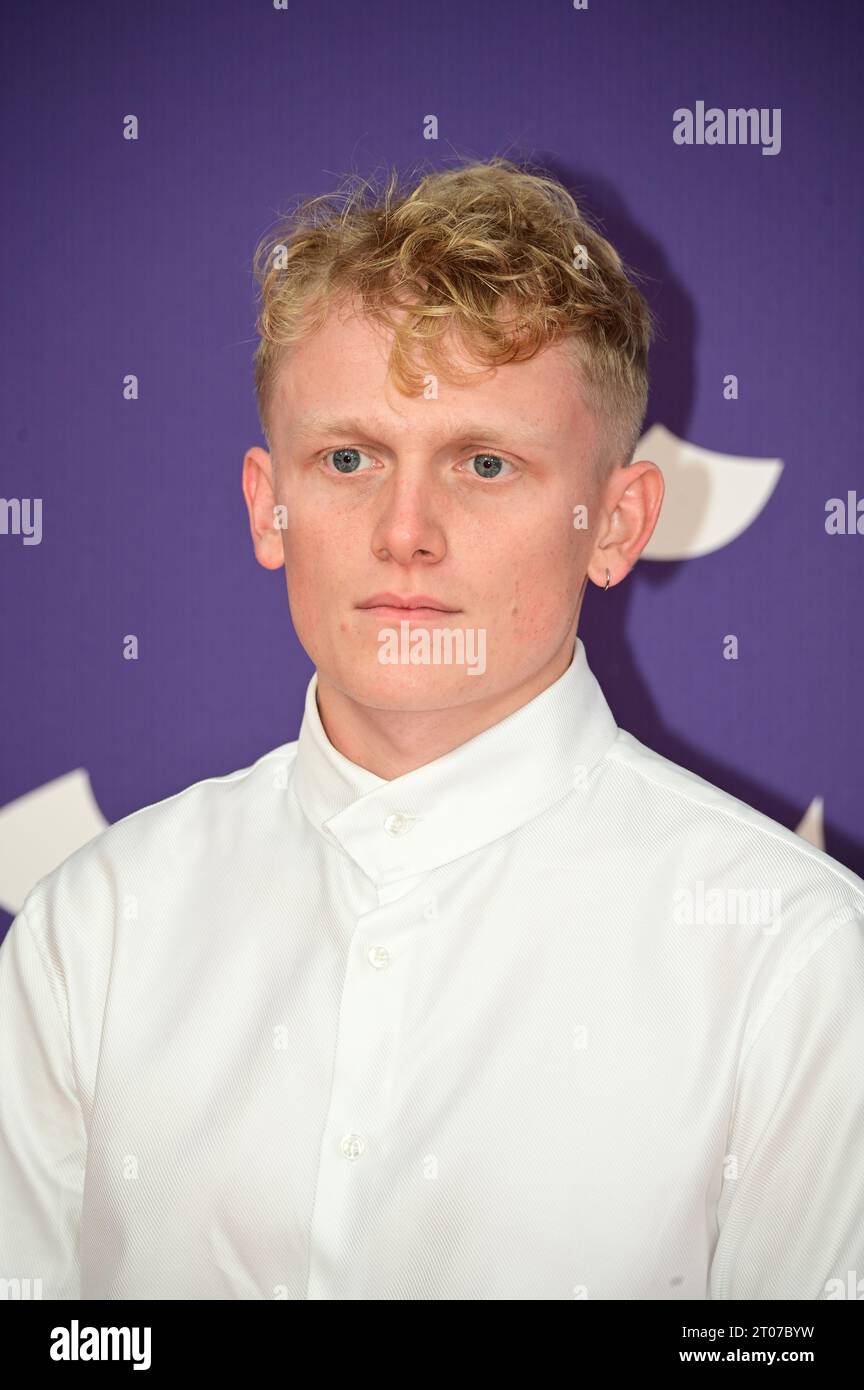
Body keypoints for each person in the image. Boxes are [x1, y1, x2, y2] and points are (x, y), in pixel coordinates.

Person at [1, 158, 862, 1301]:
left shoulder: (796, 959)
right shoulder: (94, 927)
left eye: (486, 462)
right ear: (270, 503)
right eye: (348, 458)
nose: (405, 531)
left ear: (615, 523)